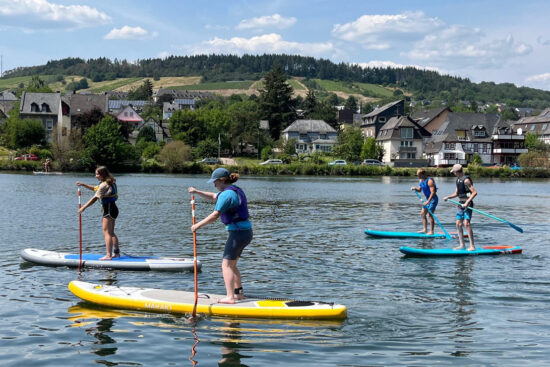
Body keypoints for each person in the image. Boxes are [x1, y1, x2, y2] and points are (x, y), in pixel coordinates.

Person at [188, 167, 253, 304]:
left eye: (215, 182)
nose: (214, 185)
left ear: (221, 181)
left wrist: (197, 226)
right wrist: (196, 192)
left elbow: (215, 215)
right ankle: (239, 294)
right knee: (233, 264)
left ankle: (230, 297)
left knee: (226, 265)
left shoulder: (226, 195)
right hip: (246, 233)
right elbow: (212, 196)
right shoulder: (233, 190)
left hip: (238, 234)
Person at [76, 166, 120, 260]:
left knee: (107, 232)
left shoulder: (104, 185)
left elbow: (94, 198)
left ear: (102, 174)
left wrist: (83, 208)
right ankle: (116, 253)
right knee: (111, 232)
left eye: (97, 174)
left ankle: (108, 255)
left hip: (108, 209)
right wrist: (84, 185)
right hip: (113, 208)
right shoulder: (110, 182)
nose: (95, 176)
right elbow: (95, 188)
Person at [444, 164, 477, 251]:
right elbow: (456, 193)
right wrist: (448, 197)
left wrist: (467, 202)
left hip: (468, 204)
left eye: (453, 172)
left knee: (467, 224)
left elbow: (474, 193)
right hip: (460, 204)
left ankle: (472, 246)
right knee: (458, 224)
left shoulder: (466, 180)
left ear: (456, 172)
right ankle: (462, 245)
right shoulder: (458, 180)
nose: (453, 173)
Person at [410, 168, 438, 235]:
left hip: (433, 199)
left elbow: (433, 192)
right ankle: (425, 229)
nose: (418, 176)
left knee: (430, 215)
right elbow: (419, 190)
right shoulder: (421, 181)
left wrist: (428, 201)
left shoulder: (430, 181)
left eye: (419, 175)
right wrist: (415, 189)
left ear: (423, 174)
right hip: (427, 199)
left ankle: (431, 231)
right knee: (422, 213)